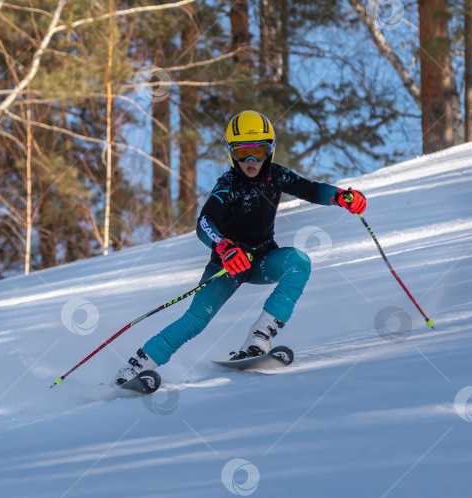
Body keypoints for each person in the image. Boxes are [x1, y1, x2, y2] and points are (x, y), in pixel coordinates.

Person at [115, 110, 367, 385]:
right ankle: (135, 369)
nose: (249, 160)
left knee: (299, 261)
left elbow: (312, 190)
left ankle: (259, 338)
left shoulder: (277, 175)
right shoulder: (228, 185)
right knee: (196, 320)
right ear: (230, 153)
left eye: (257, 151)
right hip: (228, 265)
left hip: (263, 259)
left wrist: (340, 197)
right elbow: (204, 222)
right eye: (240, 152)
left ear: (270, 149)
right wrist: (224, 247)